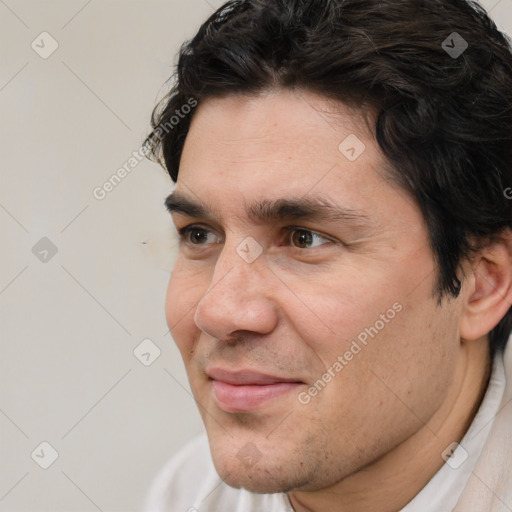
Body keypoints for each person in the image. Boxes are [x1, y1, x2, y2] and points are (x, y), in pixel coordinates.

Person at [142, 1, 512, 510]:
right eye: (201, 235)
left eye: (304, 239)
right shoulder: (188, 495)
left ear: (483, 283)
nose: (218, 311)